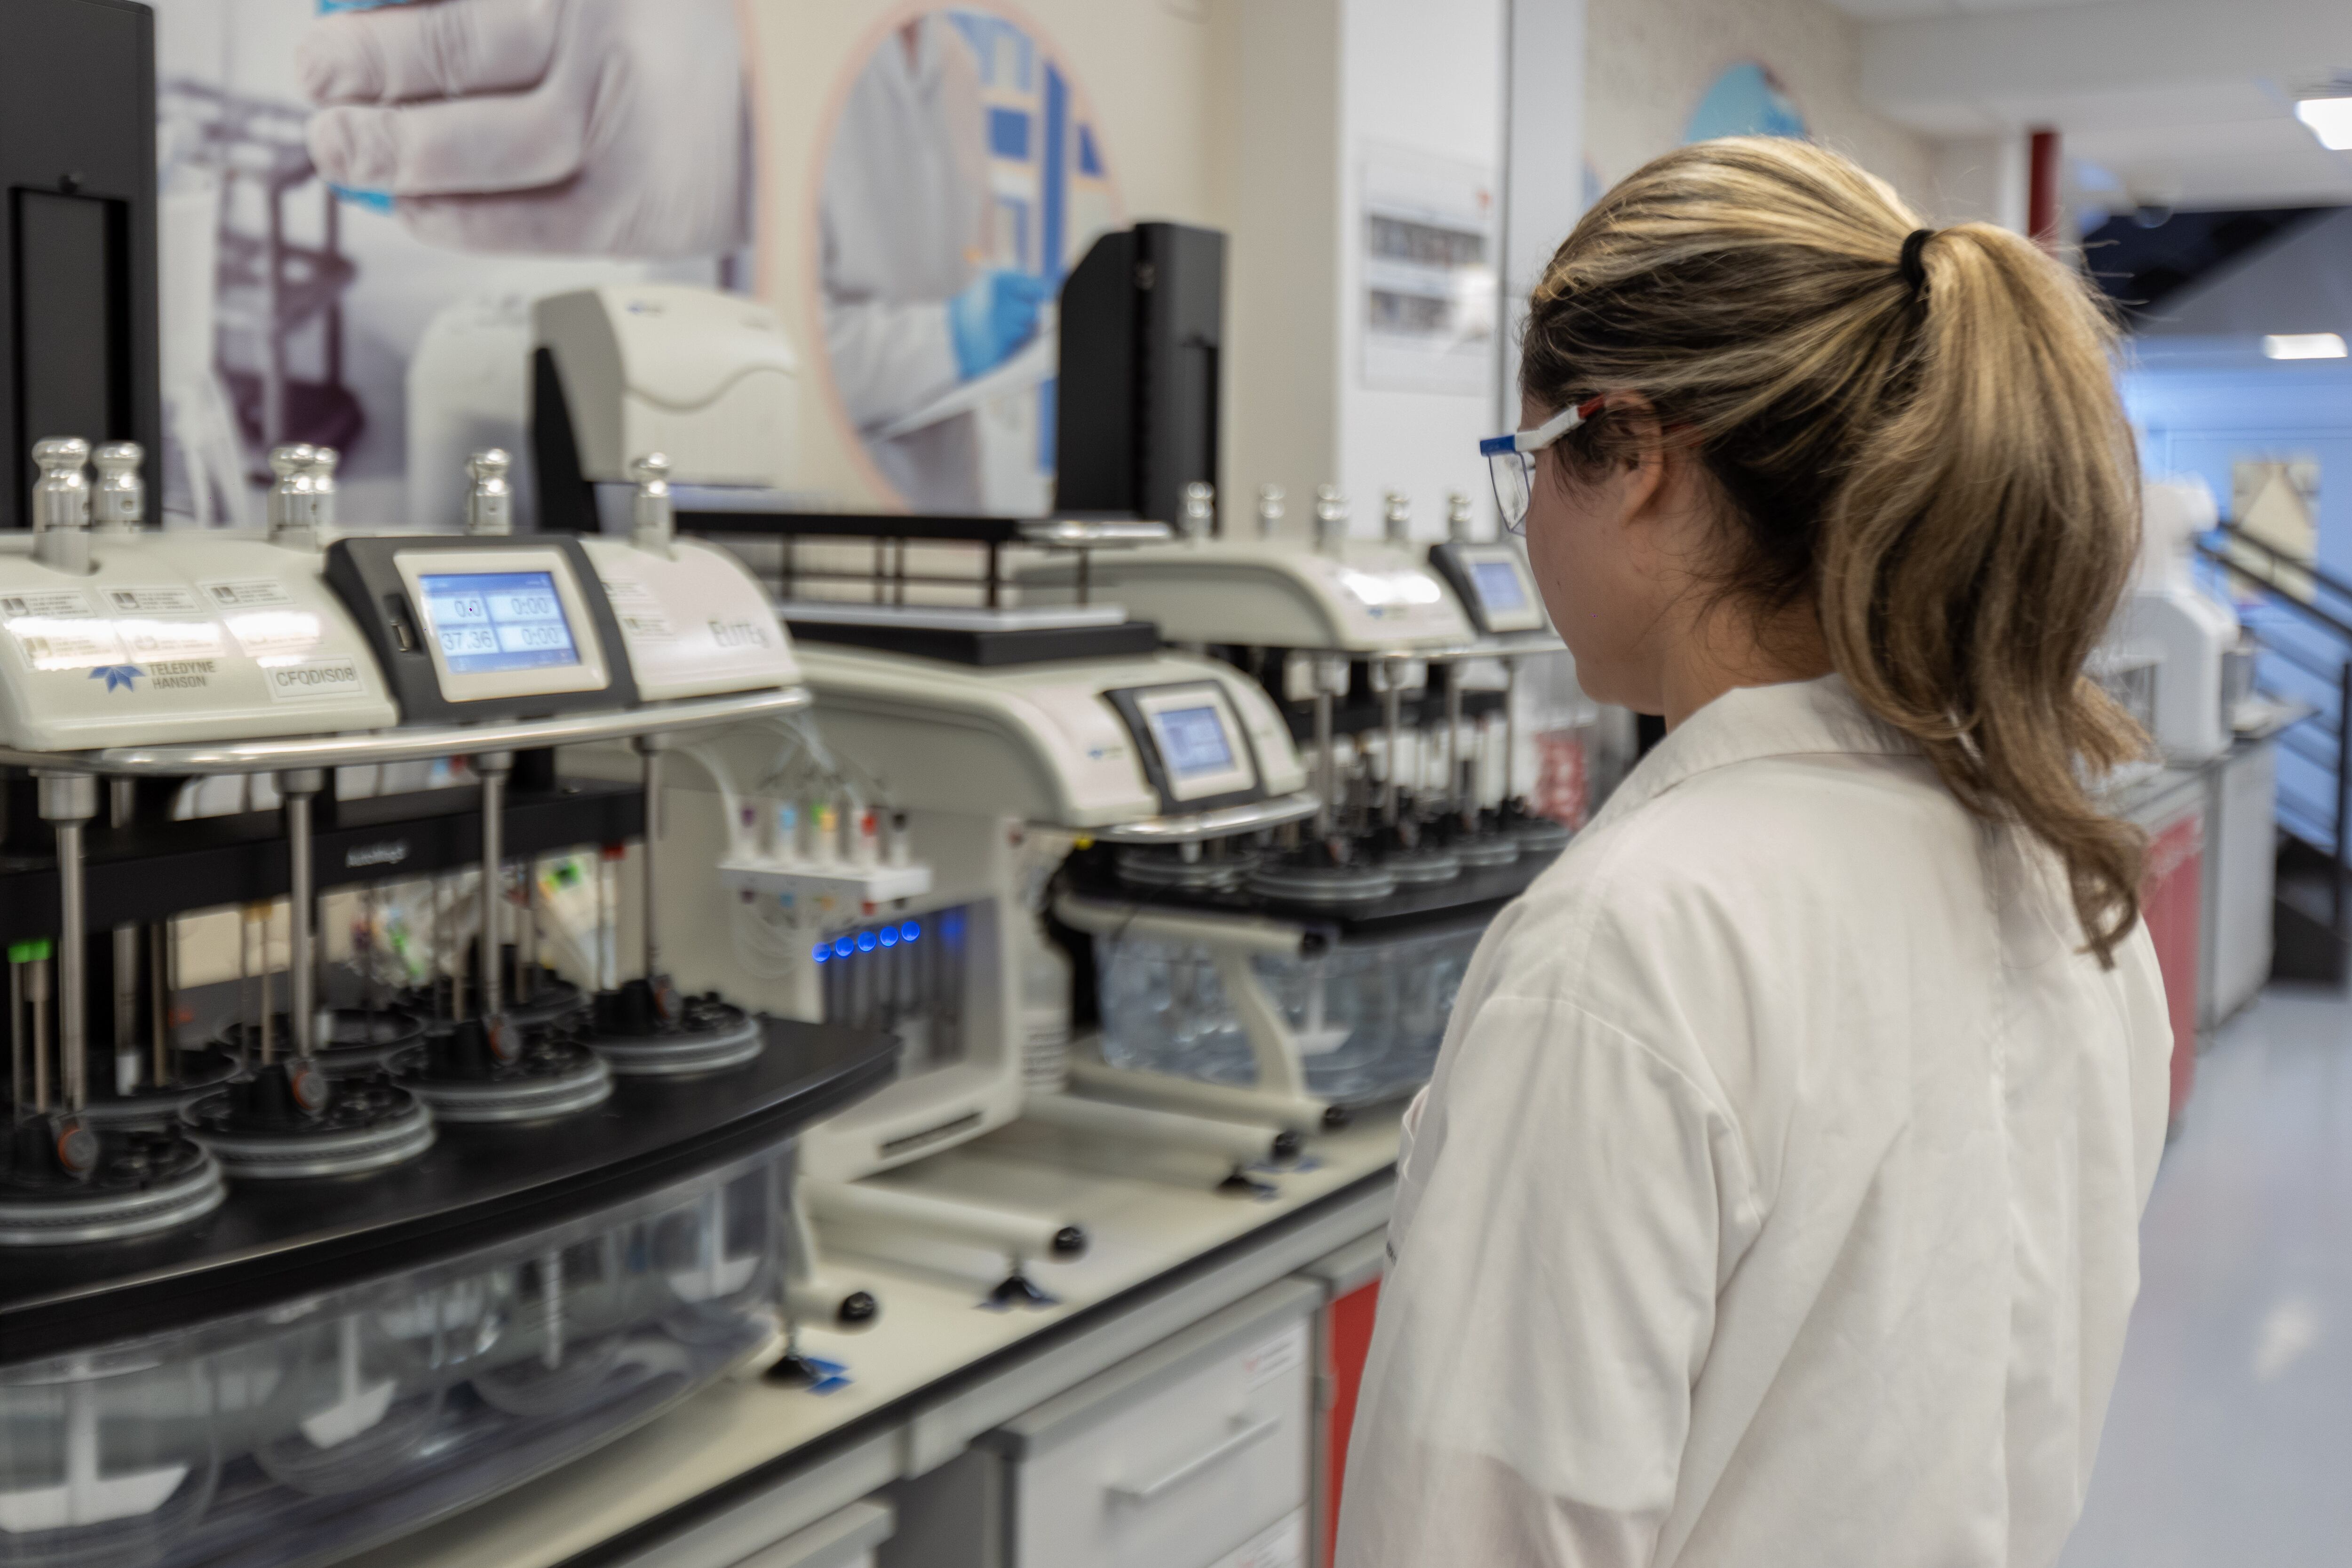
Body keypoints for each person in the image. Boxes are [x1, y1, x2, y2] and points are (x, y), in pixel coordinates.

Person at [1336, 138, 2172, 1568]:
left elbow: (1472, 1536)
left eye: (1527, 463)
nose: (1524, 518)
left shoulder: (1625, 949)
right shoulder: (2060, 879)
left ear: (1637, 455)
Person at [820, 16, 1051, 512]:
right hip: (834, 502)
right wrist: (950, 338)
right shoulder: (798, 44)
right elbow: (780, 353)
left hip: (949, 495)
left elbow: (972, 246)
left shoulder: (953, 57)